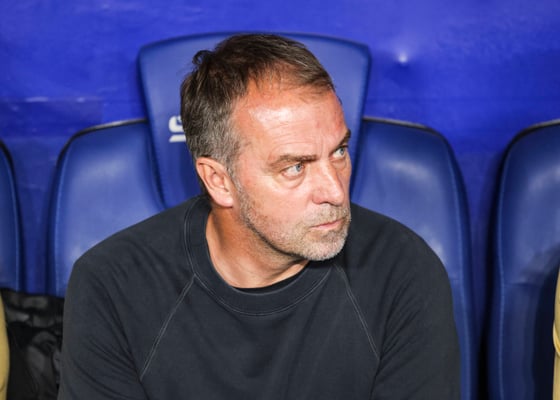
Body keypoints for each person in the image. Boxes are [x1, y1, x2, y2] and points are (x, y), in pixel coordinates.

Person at [58, 33, 460, 399]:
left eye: (339, 152)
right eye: (295, 167)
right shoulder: (114, 286)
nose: (336, 192)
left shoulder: (402, 270)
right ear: (219, 181)